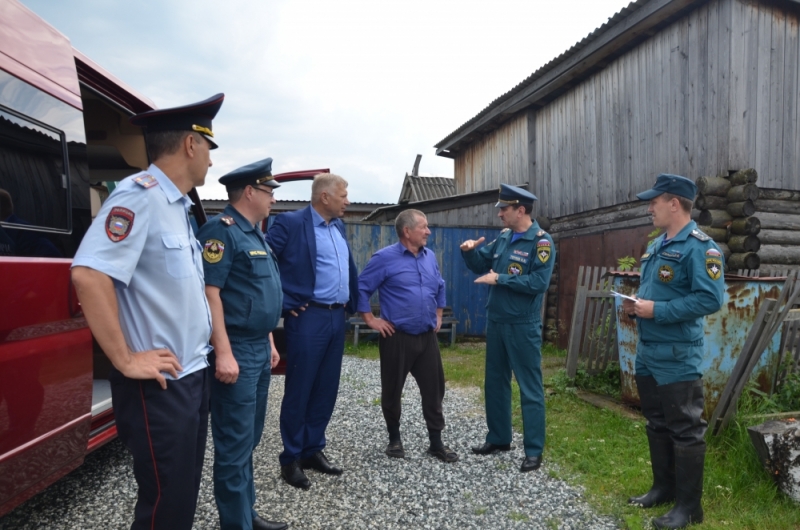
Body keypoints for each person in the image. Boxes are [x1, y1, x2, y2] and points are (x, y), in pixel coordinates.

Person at [71, 94, 223, 530]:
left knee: (182, 496)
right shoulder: (139, 197)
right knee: (165, 505)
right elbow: (89, 274)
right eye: (209, 147)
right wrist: (124, 359)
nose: (211, 160)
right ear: (191, 144)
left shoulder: (178, 207)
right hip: (160, 386)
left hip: (190, 373)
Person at [623, 174, 724, 529]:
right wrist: (637, 306)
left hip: (678, 353)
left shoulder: (701, 248)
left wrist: (658, 311)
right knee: (657, 422)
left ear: (674, 203)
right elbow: (658, 292)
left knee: (685, 428)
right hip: (649, 351)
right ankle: (663, 489)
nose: (649, 208)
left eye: (654, 202)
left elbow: (710, 299)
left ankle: (689, 508)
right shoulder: (656, 246)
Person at [196, 158, 287, 530]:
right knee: (234, 444)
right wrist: (223, 352)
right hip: (235, 348)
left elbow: (256, 293)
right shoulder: (221, 232)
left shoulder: (254, 233)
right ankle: (236, 524)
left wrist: (269, 340)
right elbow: (210, 294)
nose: (273, 199)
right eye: (268, 192)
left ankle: (246, 514)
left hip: (257, 346)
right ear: (250, 191)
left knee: (248, 439)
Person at [266, 173, 358, 489]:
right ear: (325, 197)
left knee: (325, 388)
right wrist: (281, 301)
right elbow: (262, 263)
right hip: (308, 317)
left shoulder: (338, 226)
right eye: (343, 196)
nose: (348, 201)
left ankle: (312, 449)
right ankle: (290, 457)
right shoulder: (290, 223)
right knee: (301, 388)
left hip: (336, 317)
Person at [460, 183, 555, 473]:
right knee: (495, 382)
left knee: (529, 387)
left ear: (521, 210)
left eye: (504, 209)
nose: (500, 214)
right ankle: (499, 438)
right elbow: (481, 265)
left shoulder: (541, 242)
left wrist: (500, 279)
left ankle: (534, 450)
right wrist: (469, 252)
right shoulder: (503, 238)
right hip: (497, 321)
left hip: (522, 325)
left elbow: (538, 283)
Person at [357, 209, 457, 463]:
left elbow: (440, 285)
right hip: (397, 337)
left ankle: (436, 443)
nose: (428, 231)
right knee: (392, 390)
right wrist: (370, 319)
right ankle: (394, 440)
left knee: (434, 390)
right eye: (423, 227)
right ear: (407, 231)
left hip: (426, 337)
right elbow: (361, 288)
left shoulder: (429, 256)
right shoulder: (384, 258)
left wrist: (438, 314)